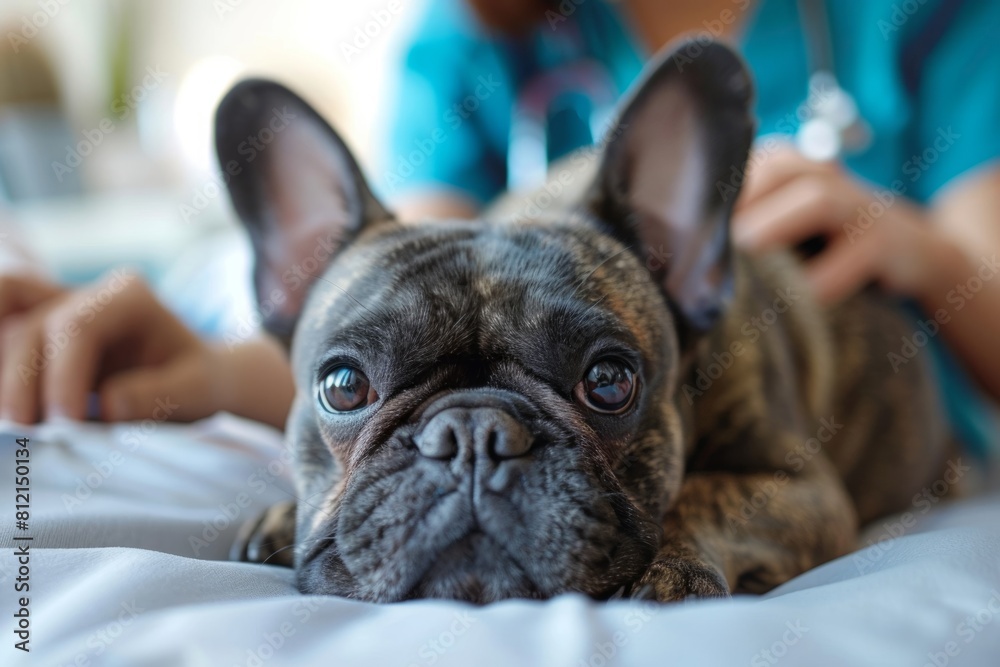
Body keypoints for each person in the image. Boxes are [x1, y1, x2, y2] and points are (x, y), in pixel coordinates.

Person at [1, 0, 998, 457]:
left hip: (905, 435)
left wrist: (932, 253)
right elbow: (402, 325)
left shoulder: (925, 16)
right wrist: (212, 375)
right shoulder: (468, 38)